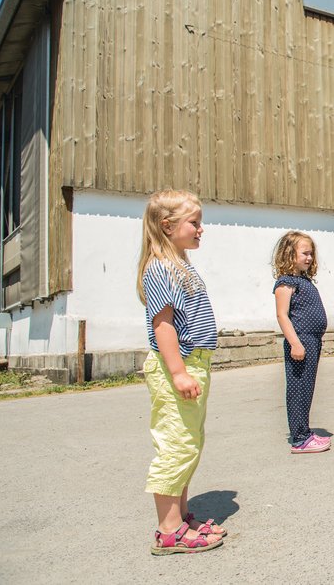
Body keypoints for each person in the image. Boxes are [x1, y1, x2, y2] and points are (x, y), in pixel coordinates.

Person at [137, 189, 224, 555]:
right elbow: (164, 327)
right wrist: (178, 373)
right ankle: (168, 530)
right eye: (195, 222)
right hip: (180, 365)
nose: (201, 229)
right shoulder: (160, 266)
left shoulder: (180, 262)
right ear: (167, 226)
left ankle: (181, 514)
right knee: (176, 445)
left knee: (190, 443)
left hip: (194, 364)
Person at [272, 231, 331, 454]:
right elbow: (282, 315)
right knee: (298, 388)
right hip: (301, 341)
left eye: (311, 254)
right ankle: (299, 438)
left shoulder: (302, 280)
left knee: (307, 388)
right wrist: (295, 343)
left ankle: (305, 431)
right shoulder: (286, 283)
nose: (309, 257)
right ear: (289, 254)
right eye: (304, 253)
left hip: (313, 340)